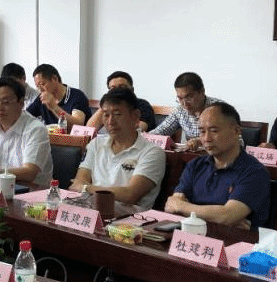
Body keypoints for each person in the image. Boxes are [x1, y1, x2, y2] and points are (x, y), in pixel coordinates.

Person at [165, 102, 271, 229]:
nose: (206, 139)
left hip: (232, 240)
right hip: (193, 236)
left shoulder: (254, 172)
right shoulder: (195, 165)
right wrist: (217, 217)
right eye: (202, 131)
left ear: (237, 131)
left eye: (214, 131)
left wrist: (183, 208)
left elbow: (227, 216)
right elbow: (171, 206)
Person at [70, 87, 166, 215]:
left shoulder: (152, 152)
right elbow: (78, 182)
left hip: (130, 220)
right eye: (106, 115)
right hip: (92, 212)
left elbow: (130, 195)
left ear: (136, 116)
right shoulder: (96, 144)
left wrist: (86, 188)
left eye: (117, 114)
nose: (110, 122)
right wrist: (84, 187)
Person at [150, 72, 221, 150]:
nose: (184, 103)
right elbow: (161, 131)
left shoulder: (219, 109)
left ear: (202, 92)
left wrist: (200, 141)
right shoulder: (180, 110)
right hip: (193, 156)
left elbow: (226, 136)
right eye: (180, 98)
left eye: (189, 97)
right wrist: (145, 137)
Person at [85, 71, 156, 133]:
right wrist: (106, 104)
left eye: (122, 87)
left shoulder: (142, 105)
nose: (118, 91)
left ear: (132, 89)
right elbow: (89, 129)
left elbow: (136, 130)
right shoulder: (107, 106)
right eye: (113, 89)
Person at [26, 63, 91, 129]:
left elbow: (78, 125)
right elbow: (25, 116)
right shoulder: (41, 98)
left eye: (43, 84)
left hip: (73, 135)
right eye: (37, 86)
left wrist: (53, 107)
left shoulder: (77, 96)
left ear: (55, 78)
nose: (40, 90)